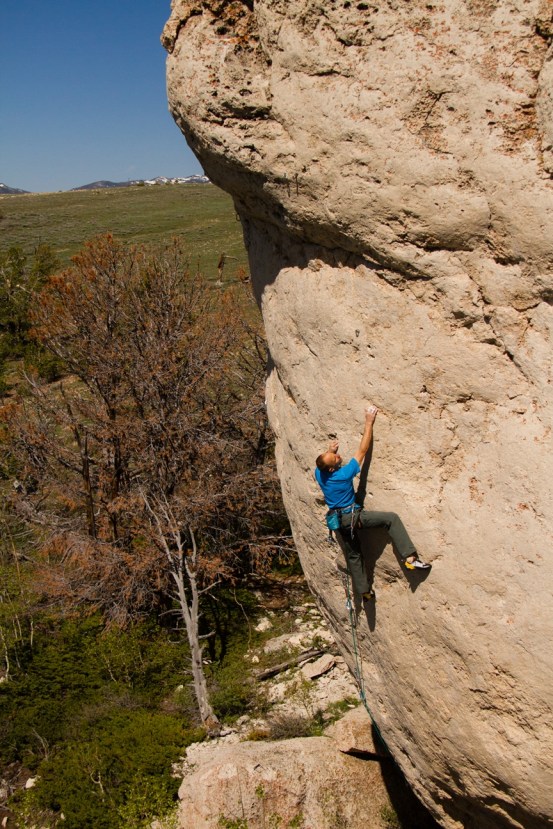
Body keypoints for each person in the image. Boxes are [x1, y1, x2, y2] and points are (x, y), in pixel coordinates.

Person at [315, 405, 430, 602]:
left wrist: (329, 451)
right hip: (353, 517)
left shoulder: (320, 474)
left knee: (354, 555)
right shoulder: (343, 474)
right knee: (391, 519)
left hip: (339, 521)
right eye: (336, 457)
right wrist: (369, 422)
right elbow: (362, 450)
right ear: (333, 469)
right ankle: (410, 558)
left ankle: (364, 591)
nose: (338, 455)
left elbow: (323, 463)